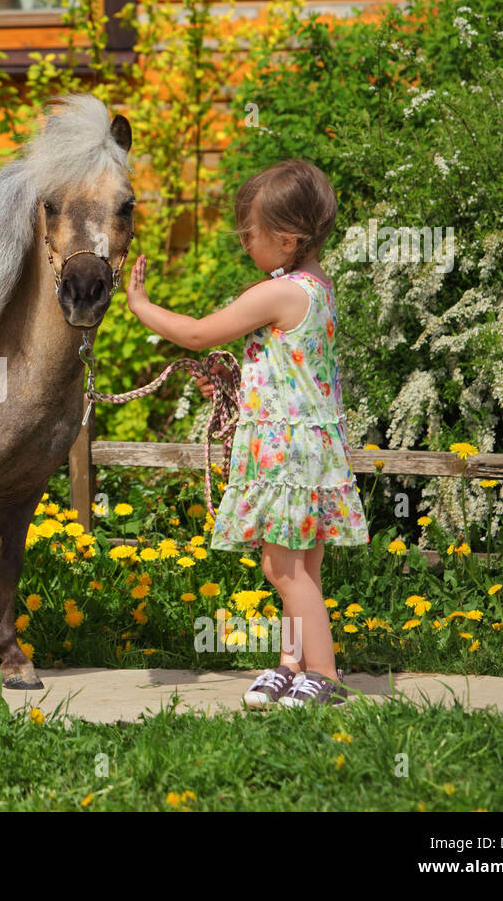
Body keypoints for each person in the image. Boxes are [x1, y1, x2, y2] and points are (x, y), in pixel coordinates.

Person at [125, 159, 368, 708]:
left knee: (281, 568)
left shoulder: (276, 293)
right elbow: (290, 369)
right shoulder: (317, 286)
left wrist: (141, 305)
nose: (244, 244)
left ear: (285, 239)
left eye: (249, 235)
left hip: (286, 452)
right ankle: (292, 664)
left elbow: (195, 332)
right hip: (310, 447)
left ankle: (324, 676)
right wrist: (242, 390)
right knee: (301, 565)